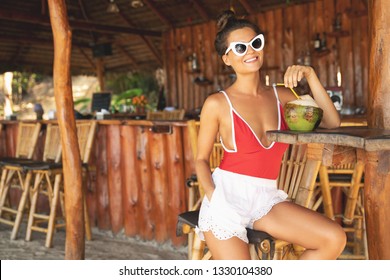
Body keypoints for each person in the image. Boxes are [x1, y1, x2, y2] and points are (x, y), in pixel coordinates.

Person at [195, 10, 346, 260]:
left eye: (255, 43)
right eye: (240, 48)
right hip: (225, 197)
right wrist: (215, 198)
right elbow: (200, 159)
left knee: (334, 238)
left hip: (265, 199)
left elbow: (332, 121)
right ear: (227, 58)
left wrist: (310, 75)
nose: (251, 51)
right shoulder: (217, 103)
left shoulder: (283, 96)